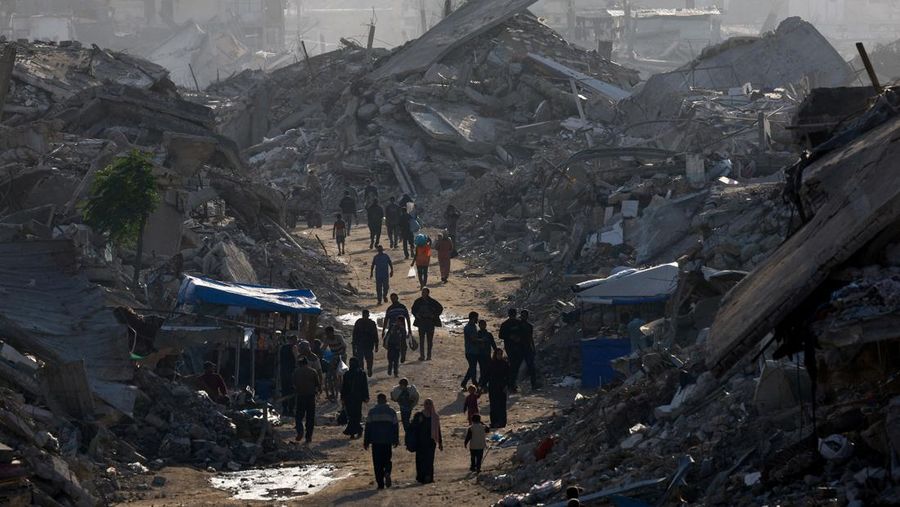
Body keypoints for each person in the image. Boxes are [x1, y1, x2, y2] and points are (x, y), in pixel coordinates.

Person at [363, 393, 399, 490]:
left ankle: (380, 484)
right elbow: (395, 426)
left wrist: (366, 441)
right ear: (385, 400)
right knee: (387, 460)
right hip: (387, 441)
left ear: (378, 401)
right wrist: (396, 439)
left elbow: (368, 427)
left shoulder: (372, 412)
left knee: (377, 463)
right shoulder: (391, 412)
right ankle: (387, 472)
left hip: (376, 441)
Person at [411, 399, 442, 484]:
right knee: (420, 460)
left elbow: (438, 430)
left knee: (429, 460)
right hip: (420, 442)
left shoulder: (435, 416)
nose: (428, 405)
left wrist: (440, 442)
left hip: (431, 442)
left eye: (429, 403)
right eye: (426, 403)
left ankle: (429, 477)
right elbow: (413, 427)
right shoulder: (419, 415)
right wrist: (418, 422)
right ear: (424, 405)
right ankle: (421, 477)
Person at [292, 356, 321, 444]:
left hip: (301, 396)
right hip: (311, 397)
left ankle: (300, 431)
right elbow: (317, 384)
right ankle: (308, 437)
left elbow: (293, 384)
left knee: (299, 417)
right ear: (307, 363)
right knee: (310, 418)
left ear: (300, 364)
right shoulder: (313, 371)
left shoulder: (296, 372)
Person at [340, 357, 369, 439]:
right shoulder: (348, 374)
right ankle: (357, 430)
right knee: (352, 415)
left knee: (355, 415)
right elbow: (344, 387)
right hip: (351, 398)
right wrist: (343, 397)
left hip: (355, 398)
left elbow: (364, 386)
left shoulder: (360, 373)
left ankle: (354, 432)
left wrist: (366, 396)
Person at [411, 288, 443, 361]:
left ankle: (429, 356)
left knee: (429, 340)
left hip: (430, 322)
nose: (423, 294)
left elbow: (440, 308)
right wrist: (417, 315)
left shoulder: (432, 301)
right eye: (422, 292)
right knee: (421, 340)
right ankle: (422, 356)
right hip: (421, 322)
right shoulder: (418, 301)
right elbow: (413, 310)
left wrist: (434, 315)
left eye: (424, 292)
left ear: (428, 293)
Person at [499, 309, 524, 392]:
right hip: (510, 347)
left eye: (513, 315)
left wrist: (519, 338)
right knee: (513, 365)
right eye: (511, 315)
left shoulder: (519, 323)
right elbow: (500, 335)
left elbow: (523, 333)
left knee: (516, 366)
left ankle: (512, 382)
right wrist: (509, 337)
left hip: (519, 347)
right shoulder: (505, 324)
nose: (512, 316)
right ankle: (511, 384)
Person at [383, 293, 412, 363]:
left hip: (402, 329)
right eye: (392, 298)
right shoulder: (390, 308)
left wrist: (409, 329)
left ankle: (403, 355)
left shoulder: (402, 307)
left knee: (403, 343)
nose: (393, 300)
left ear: (397, 298)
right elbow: (386, 319)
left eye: (394, 298)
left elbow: (407, 318)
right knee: (392, 344)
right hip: (392, 329)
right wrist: (384, 330)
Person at [352, 310, 379, 377]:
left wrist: (376, 345)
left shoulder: (371, 323)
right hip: (360, 344)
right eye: (364, 315)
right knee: (360, 360)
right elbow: (354, 334)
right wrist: (354, 346)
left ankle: (369, 369)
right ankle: (362, 372)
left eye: (366, 315)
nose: (365, 317)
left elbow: (375, 334)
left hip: (368, 345)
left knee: (369, 359)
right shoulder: (359, 322)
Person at [519, 309, 541, 390]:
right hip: (520, 348)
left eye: (524, 316)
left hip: (526, 348)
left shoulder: (528, 326)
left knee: (531, 367)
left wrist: (533, 348)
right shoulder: (518, 325)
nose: (523, 317)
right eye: (523, 315)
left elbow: (530, 338)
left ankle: (533, 384)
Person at [488, 348, 509, 428]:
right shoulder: (491, 364)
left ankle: (502, 422)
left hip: (502, 387)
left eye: (501, 354)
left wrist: (506, 385)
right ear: (495, 354)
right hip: (492, 387)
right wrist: (482, 385)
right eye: (498, 354)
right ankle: (494, 422)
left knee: (502, 405)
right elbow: (486, 375)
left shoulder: (505, 364)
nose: (499, 356)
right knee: (493, 405)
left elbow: (508, 376)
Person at [475, 319, 498, 390]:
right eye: (481, 324)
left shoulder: (489, 334)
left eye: (484, 324)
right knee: (483, 370)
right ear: (479, 325)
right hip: (480, 355)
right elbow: (475, 344)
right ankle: (482, 385)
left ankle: (482, 384)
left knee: (488, 370)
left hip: (487, 355)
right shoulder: (477, 334)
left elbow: (493, 344)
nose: (483, 326)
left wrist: (496, 351)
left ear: (485, 325)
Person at [461, 311, 480, 389]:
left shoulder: (473, 326)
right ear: (473, 318)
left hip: (473, 351)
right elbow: (473, 339)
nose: (477, 319)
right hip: (470, 351)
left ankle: (464, 383)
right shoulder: (468, 327)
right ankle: (474, 383)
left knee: (472, 368)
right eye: (476, 318)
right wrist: (482, 340)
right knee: (473, 369)